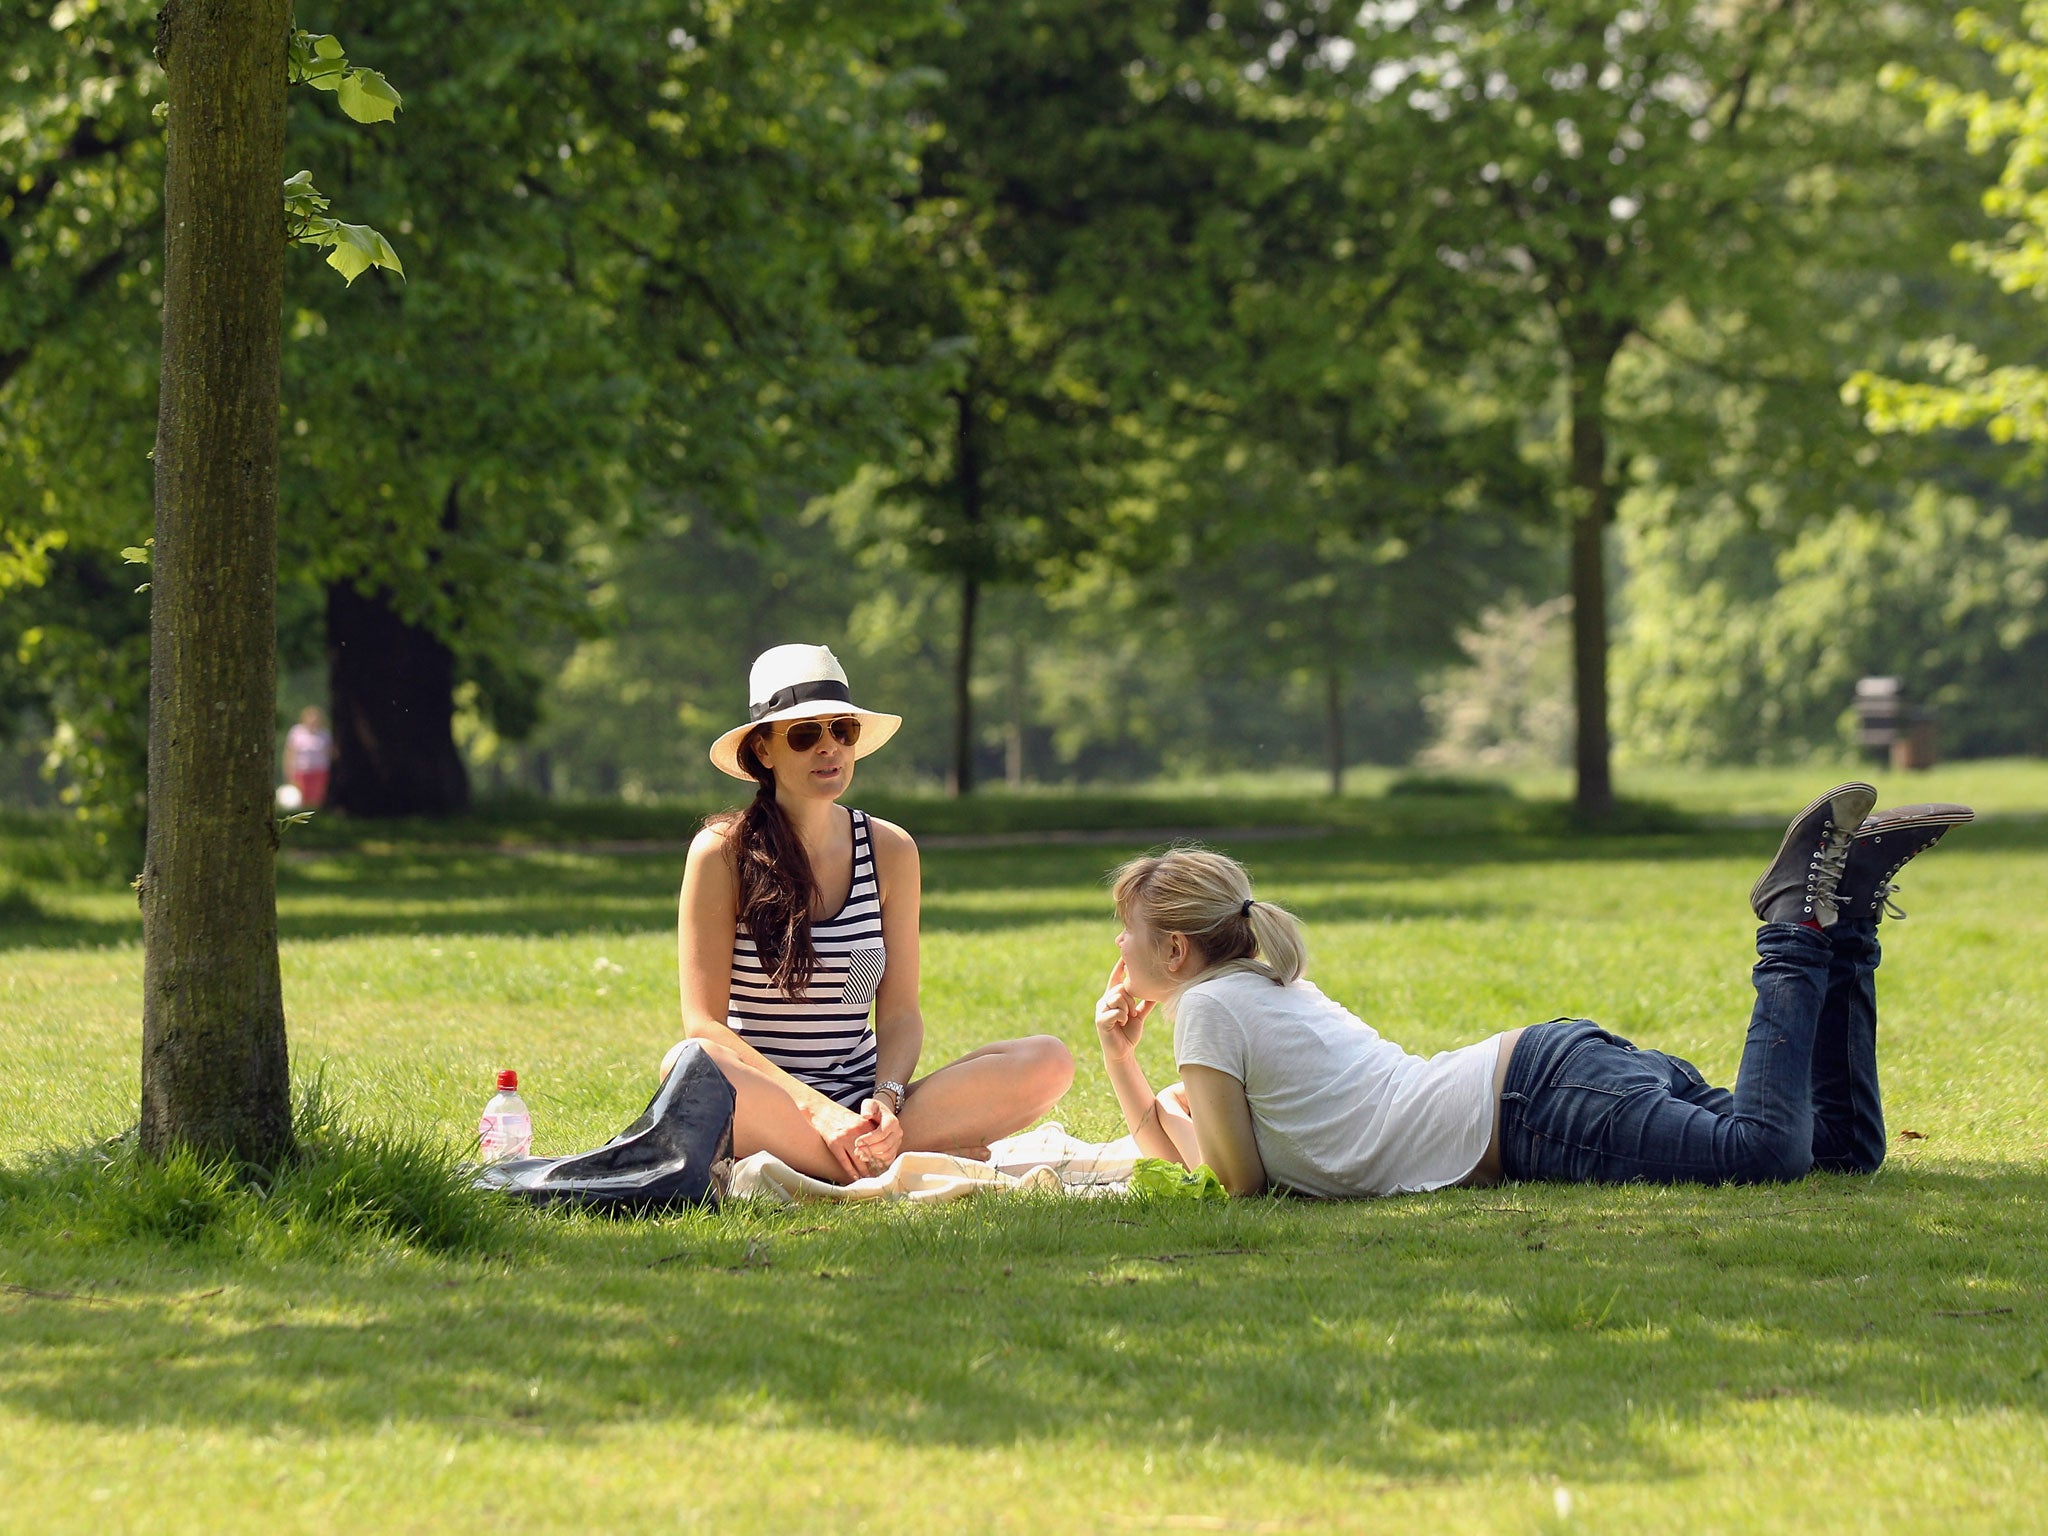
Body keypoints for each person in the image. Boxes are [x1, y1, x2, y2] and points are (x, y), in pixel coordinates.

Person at [1092, 783, 1974, 1197]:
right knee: (1840, 1154)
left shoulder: (1209, 1008)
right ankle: (1845, 914)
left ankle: (1793, 918)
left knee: (1765, 1153)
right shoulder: (1253, 984)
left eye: (1123, 935)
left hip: (1535, 1107)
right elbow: (1197, 1151)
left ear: (1173, 946)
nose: (1116, 954)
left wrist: (1141, 1061)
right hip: (1549, 1079)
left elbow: (1239, 1184)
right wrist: (1121, 1056)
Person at [664, 643, 1074, 1184]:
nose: (829, 748)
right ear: (763, 751)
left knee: (1048, 1060)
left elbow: (901, 1013)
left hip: (866, 1107)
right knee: (688, 1061)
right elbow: (706, 1024)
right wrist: (815, 1110)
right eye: (806, 735)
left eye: (843, 730)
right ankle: (879, 1162)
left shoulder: (891, 849)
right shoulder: (721, 851)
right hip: (769, 1098)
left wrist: (886, 1097)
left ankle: (855, 1157)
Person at [284, 706, 334, 810]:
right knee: (301, 798)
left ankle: (316, 818)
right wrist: (289, 770)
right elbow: (290, 752)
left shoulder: (325, 734)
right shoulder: (296, 732)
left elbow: (331, 752)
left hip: (320, 771)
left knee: (317, 798)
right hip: (301, 771)